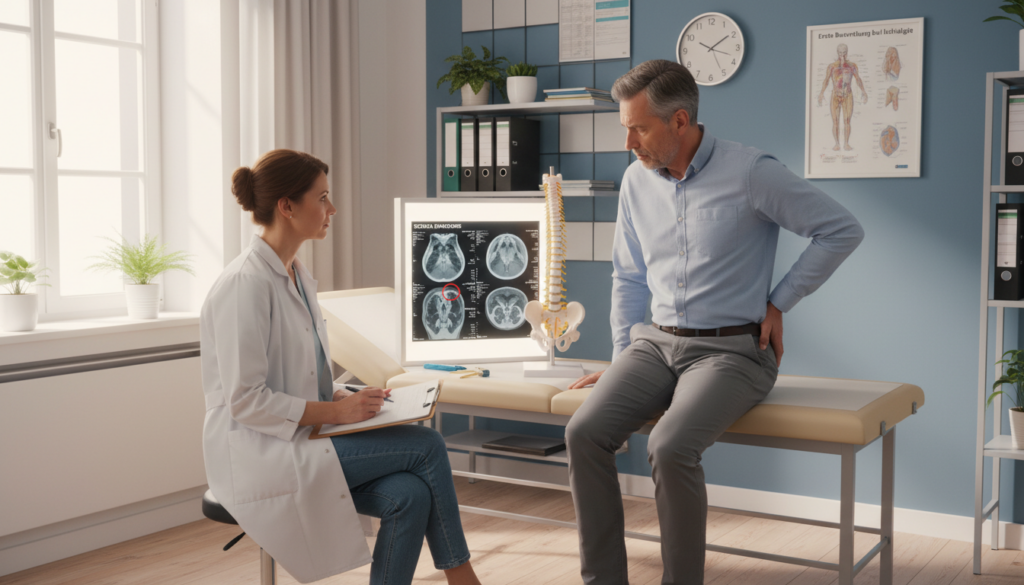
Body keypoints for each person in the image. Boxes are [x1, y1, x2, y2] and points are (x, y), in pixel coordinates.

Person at [564, 60, 864, 585]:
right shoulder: (637, 180)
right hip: (654, 347)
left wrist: (779, 302)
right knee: (584, 431)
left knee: (670, 446)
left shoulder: (751, 172)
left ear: (680, 121)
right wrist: (619, 360)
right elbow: (628, 277)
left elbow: (841, 229)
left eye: (639, 127)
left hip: (733, 352)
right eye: (625, 128)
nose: (628, 142)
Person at [200, 149, 481, 585]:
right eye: (323, 198)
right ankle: (463, 578)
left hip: (302, 436)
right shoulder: (245, 285)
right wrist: (337, 414)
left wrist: (344, 397)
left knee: (409, 495)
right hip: (260, 452)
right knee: (427, 446)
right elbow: (245, 401)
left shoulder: (297, 275)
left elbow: (302, 375)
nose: (332, 209)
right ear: (287, 206)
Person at [817, 44, 869, 151]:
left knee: (847, 120)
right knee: (835, 121)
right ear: (837, 53)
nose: (842, 56)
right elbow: (826, 80)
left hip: (847, 95)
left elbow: (858, 79)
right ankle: (837, 143)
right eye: (840, 53)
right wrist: (821, 93)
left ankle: (846, 143)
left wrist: (864, 92)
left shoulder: (852, 66)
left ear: (847, 53)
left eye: (844, 53)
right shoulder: (832, 66)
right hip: (835, 95)